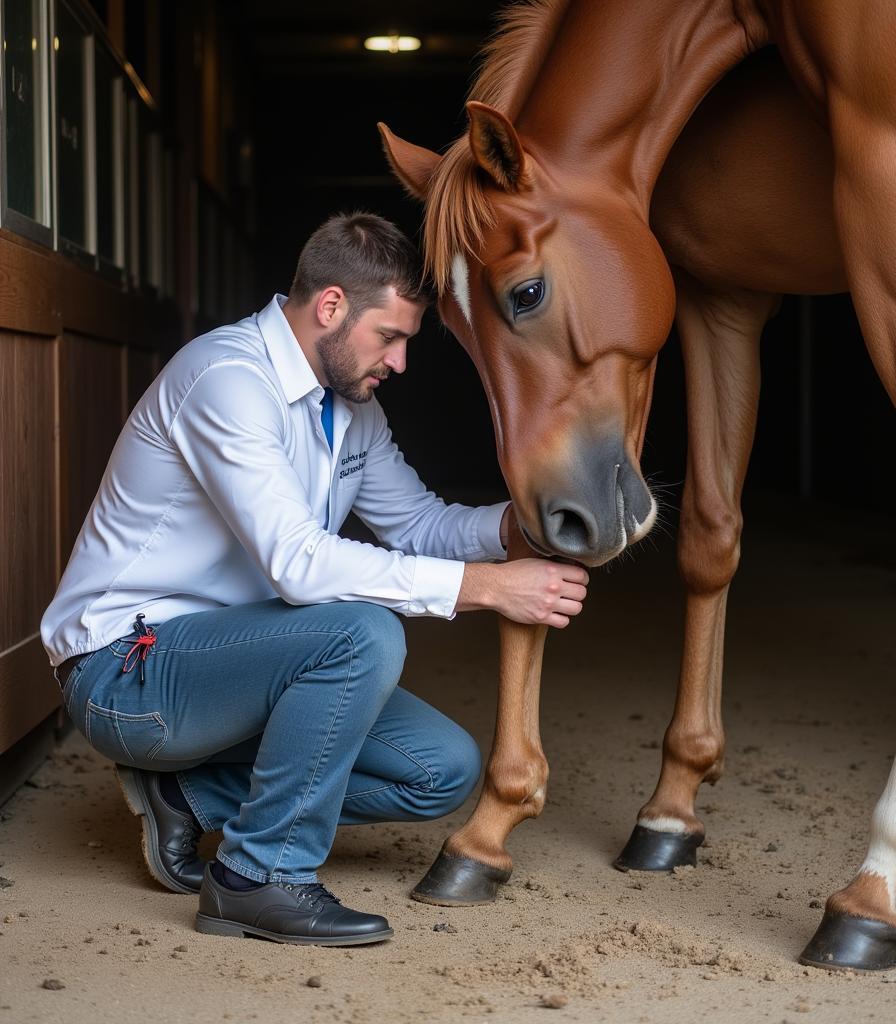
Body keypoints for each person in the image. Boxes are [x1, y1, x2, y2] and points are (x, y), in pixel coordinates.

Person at [40, 211, 589, 947]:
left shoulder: (351, 407)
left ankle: (192, 798)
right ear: (331, 306)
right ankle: (257, 878)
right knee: (359, 634)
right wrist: (486, 587)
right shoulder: (228, 380)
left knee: (442, 769)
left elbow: (418, 523)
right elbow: (296, 563)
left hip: (234, 666)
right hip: (125, 673)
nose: (399, 362)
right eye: (389, 337)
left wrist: (517, 527)